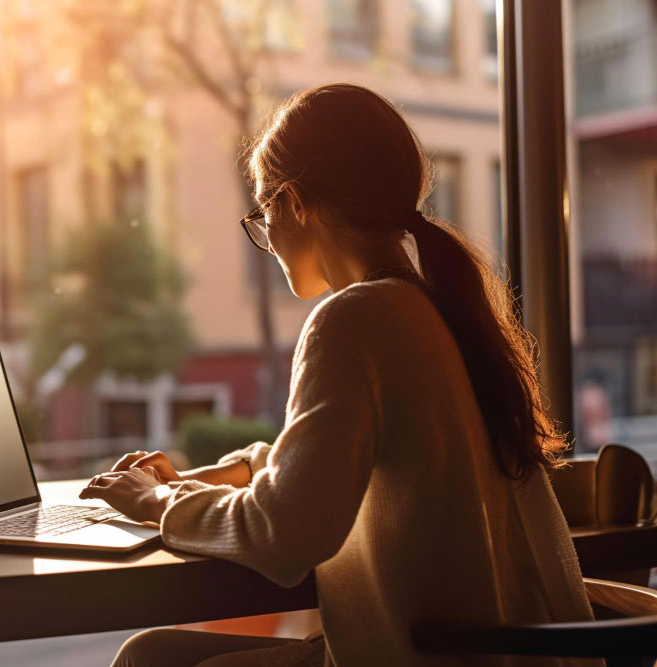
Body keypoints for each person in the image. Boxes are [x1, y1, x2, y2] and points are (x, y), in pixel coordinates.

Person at [79, 83, 597, 666]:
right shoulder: (437, 309)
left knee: (149, 658)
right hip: (495, 656)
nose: (265, 237)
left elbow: (287, 537)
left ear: (294, 203)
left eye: (261, 212)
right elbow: (386, 456)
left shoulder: (352, 320)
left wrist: (158, 500)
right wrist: (253, 468)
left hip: (413, 657)